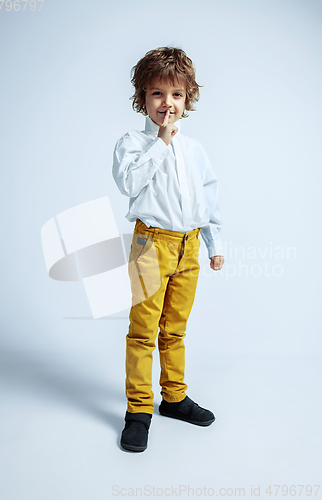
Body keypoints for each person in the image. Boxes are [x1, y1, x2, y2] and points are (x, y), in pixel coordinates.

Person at [112, 46, 225, 452]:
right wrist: (160, 142)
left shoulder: (195, 150)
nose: (167, 103)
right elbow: (130, 184)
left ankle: (173, 398)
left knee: (174, 329)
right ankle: (138, 410)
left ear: (187, 98)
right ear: (142, 96)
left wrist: (214, 242)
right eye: (157, 94)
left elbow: (207, 200)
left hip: (188, 247)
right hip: (150, 245)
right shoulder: (132, 143)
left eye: (176, 95)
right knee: (143, 331)